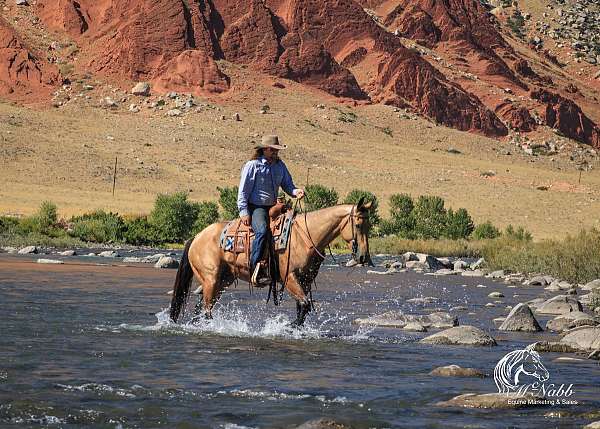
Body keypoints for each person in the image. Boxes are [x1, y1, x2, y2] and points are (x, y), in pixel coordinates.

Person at [237, 135, 305, 285]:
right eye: (273, 150)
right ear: (265, 149)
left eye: (276, 150)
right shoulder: (252, 166)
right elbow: (243, 191)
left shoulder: (280, 166)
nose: (275, 152)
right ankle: (255, 267)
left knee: (295, 227)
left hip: (274, 206)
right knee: (261, 230)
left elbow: (288, 185)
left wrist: (296, 192)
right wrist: (244, 212)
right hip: (257, 207)